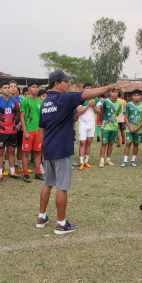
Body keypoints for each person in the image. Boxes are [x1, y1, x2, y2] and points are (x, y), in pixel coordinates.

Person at [37, 69, 122, 234]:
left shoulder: (46, 102)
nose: (69, 84)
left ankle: (41, 217)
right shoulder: (64, 98)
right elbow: (87, 94)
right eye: (66, 81)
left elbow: (41, 128)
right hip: (62, 149)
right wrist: (111, 86)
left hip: (49, 149)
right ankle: (61, 224)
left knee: (48, 182)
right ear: (57, 83)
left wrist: (44, 145)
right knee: (62, 186)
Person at [0, 81, 20, 182]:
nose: (7, 89)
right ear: (1, 89)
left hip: (12, 131)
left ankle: (12, 172)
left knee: (11, 151)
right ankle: (0, 174)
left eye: (8, 87)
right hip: (1, 131)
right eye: (5, 88)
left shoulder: (15, 101)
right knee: (0, 152)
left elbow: (17, 114)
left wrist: (13, 123)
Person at [19, 79, 44, 182]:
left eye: (37, 87)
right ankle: (25, 174)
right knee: (26, 153)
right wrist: (25, 131)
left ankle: (37, 173)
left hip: (37, 132)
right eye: (33, 87)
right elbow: (22, 117)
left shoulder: (40, 102)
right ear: (28, 89)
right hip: (28, 131)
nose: (35, 89)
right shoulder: (25, 101)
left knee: (38, 153)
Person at [76, 83, 101, 170]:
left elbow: (98, 112)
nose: (89, 89)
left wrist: (93, 105)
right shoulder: (81, 99)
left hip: (91, 124)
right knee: (82, 142)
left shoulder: (96, 100)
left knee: (89, 142)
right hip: (83, 124)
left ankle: (86, 161)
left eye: (91, 88)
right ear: (84, 90)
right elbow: (79, 111)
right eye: (87, 88)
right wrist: (88, 105)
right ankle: (81, 162)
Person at [121, 89, 142, 167]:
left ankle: (133, 160)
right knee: (128, 143)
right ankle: (125, 161)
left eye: (138, 95)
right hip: (129, 129)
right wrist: (130, 127)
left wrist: (138, 128)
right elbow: (125, 117)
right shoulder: (128, 105)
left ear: (141, 96)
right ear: (132, 96)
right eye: (134, 95)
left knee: (136, 144)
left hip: (138, 129)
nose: (136, 97)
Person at [99, 89, 122, 168]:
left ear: (118, 93)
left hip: (114, 126)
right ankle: (101, 160)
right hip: (105, 126)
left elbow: (117, 113)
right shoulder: (105, 101)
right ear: (110, 93)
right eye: (112, 92)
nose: (114, 93)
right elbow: (101, 112)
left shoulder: (119, 103)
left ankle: (108, 160)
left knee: (111, 143)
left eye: (115, 92)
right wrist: (103, 122)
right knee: (104, 143)